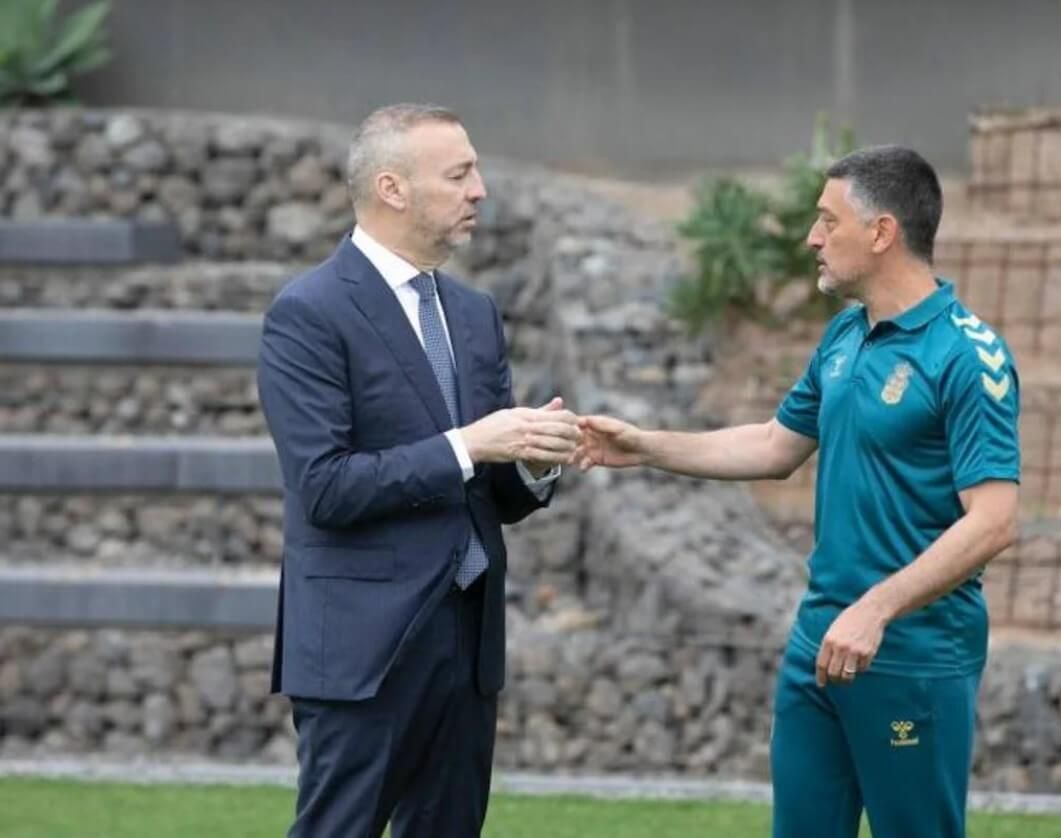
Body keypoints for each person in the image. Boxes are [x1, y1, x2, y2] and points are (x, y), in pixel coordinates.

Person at [575, 145, 1020, 838]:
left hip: (911, 650)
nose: (812, 238)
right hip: (820, 640)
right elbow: (775, 445)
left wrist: (876, 609)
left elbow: (993, 522)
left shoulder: (969, 355)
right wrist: (645, 446)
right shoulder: (845, 335)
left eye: (827, 220)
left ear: (882, 233)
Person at [256, 103, 581, 838]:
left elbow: (489, 492)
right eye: (460, 174)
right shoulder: (307, 312)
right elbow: (327, 487)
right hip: (362, 650)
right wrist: (471, 442)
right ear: (392, 188)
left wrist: (531, 458)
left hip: (467, 644)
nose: (481, 190)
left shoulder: (474, 313)